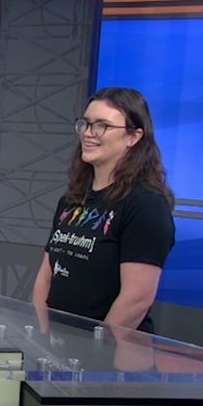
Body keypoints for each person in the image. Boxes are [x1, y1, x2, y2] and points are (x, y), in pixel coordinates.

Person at [32, 87, 175, 332]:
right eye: (86, 124)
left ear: (133, 137)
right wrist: (42, 336)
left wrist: (97, 348)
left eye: (103, 125)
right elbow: (46, 276)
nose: (89, 133)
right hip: (57, 345)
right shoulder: (72, 199)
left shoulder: (146, 204)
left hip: (109, 351)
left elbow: (136, 300)